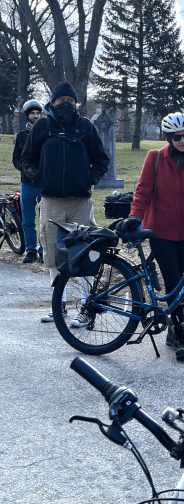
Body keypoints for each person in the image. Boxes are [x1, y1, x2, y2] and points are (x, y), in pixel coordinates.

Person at [117, 112, 184, 361]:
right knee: (172, 280)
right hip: (160, 229)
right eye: (177, 137)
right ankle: (180, 330)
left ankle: (174, 326)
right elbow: (143, 190)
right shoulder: (155, 158)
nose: (183, 141)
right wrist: (135, 216)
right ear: (169, 138)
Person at [21, 81, 110, 324]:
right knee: (52, 253)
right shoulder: (42, 127)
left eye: (71, 100)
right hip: (51, 201)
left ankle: (86, 305)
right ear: (53, 102)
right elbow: (27, 159)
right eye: (62, 100)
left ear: (76, 103)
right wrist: (39, 177)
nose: (66, 104)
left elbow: (101, 159)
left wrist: (89, 179)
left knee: (85, 253)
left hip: (81, 201)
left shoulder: (85, 126)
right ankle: (58, 305)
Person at [12, 100, 44, 263]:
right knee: (28, 219)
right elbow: (16, 159)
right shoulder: (21, 137)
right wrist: (25, 169)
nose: (36, 116)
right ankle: (31, 250)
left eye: (38, 113)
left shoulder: (46, 134)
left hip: (44, 183)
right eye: (32, 113)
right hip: (27, 183)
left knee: (46, 219)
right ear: (27, 115)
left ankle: (44, 250)